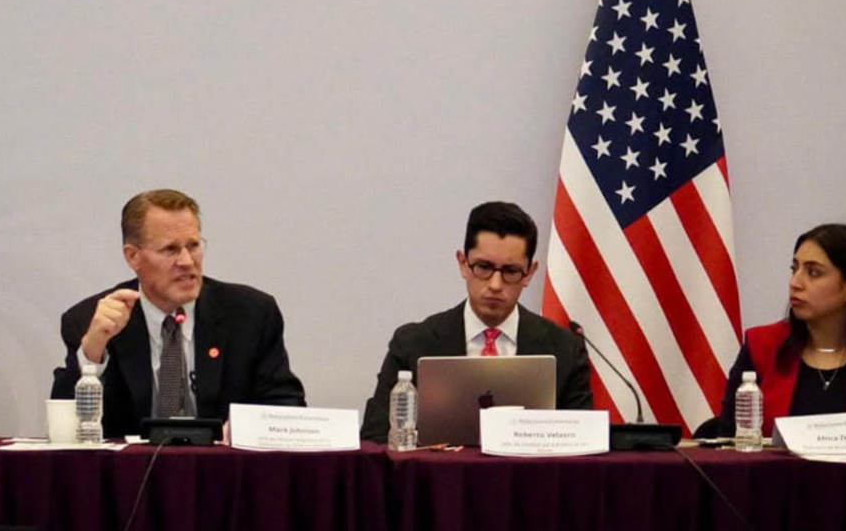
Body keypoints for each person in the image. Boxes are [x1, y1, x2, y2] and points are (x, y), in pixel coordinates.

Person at [51, 188, 306, 438]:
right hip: (133, 465)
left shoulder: (250, 314)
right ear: (133, 256)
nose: (187, 261)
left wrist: (245, 428)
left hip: (224, 464)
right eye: (170, 249)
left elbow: (286, 407)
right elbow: (64, 431)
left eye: (193, 246)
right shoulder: (90, 321)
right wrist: (92, 353)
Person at [361, 201, 593, 442]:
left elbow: (585, 442)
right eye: (483, 267)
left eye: (511, 271)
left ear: (530, 273)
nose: (495, 284)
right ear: (463, 264)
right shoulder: (412, 344)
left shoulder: (565, 348)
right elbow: (374, 437)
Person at [706, 223, 846, 437]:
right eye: (794, 269)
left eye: (813, 273)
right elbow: (728, 442)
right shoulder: (762, 345)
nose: (795, 282)